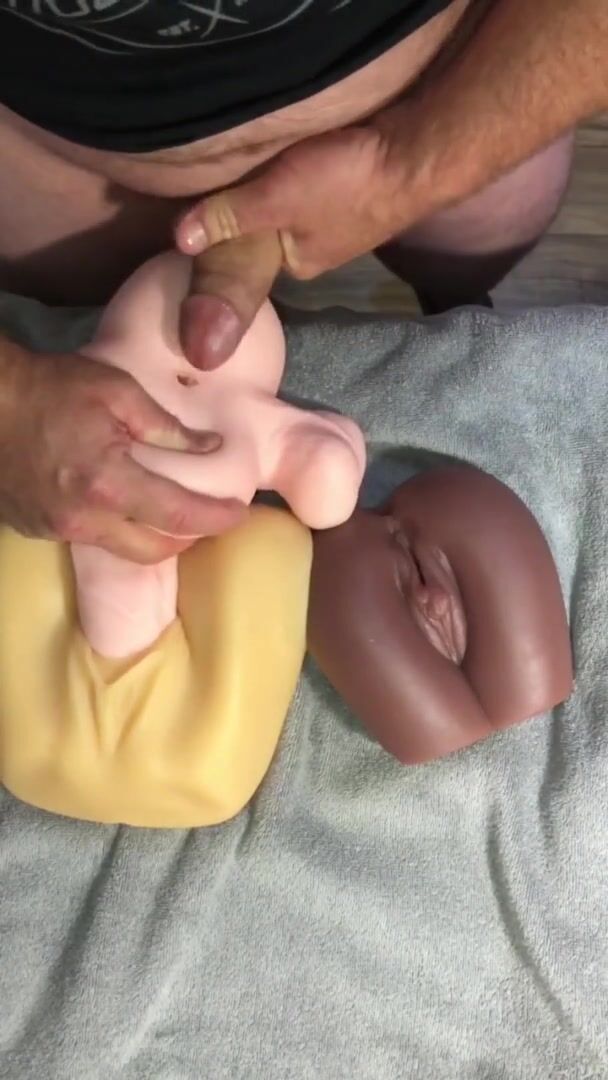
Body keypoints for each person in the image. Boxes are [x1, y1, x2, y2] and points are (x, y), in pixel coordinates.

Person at [0, 0, 605, 563]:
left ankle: (451, 301)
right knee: (83, 328)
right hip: (57, 142)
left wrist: (411, 169)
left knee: (475, 245)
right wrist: (11, 399)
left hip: (452, 82)